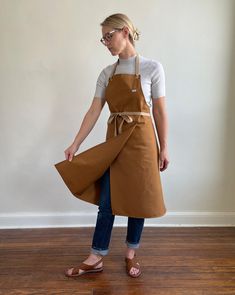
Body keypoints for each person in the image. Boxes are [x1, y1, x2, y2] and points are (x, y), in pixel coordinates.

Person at [60, 13, 169, 278]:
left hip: (143, 140)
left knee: (138, 198)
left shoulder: (153, 68)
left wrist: (164, 147)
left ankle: (131, 254)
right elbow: (94, 110)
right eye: (103, 38)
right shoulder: (106, 73)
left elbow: (160, 112)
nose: (106, 42)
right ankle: (96, 255)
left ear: (125, 32)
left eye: (109, 36)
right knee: (107, 200)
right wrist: (75, 143)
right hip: (116, 140)